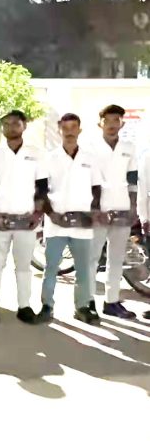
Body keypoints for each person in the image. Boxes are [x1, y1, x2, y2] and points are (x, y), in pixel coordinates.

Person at [0, 110, 48, 325]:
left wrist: (37, 214)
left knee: (23, 265)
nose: (11, 127)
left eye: (15, 123)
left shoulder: (36, 153)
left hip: (26, 218)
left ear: (24, 126)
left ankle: (24, 306)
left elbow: (42, 187)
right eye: (7, 124)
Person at [39, 113, 102, 325]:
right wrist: (52, 215)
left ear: (79, 130)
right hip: (56, 223)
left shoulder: (90, 158)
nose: (69, 132)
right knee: (51, 268)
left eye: (73, 127)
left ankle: (82, 307)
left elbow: (97, 189)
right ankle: (47, 306)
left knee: (83, 270)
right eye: (65, 128)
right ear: (59, 130)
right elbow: (40, 191)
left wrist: (93, 213)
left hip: (82, 224)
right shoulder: (49, 158)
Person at [86, 105, 138, 319]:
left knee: (116, 259)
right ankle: (86, 302)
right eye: (107, 120)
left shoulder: (129, 147)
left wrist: (133, 207)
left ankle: (112, 302)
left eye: (116, 120)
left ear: (122, 123)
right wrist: (93, 209)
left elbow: (133, 180)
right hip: (97, 211)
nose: (112, 124)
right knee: (91, 258)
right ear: (100, 123)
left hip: (122, 209)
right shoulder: (89, 147)